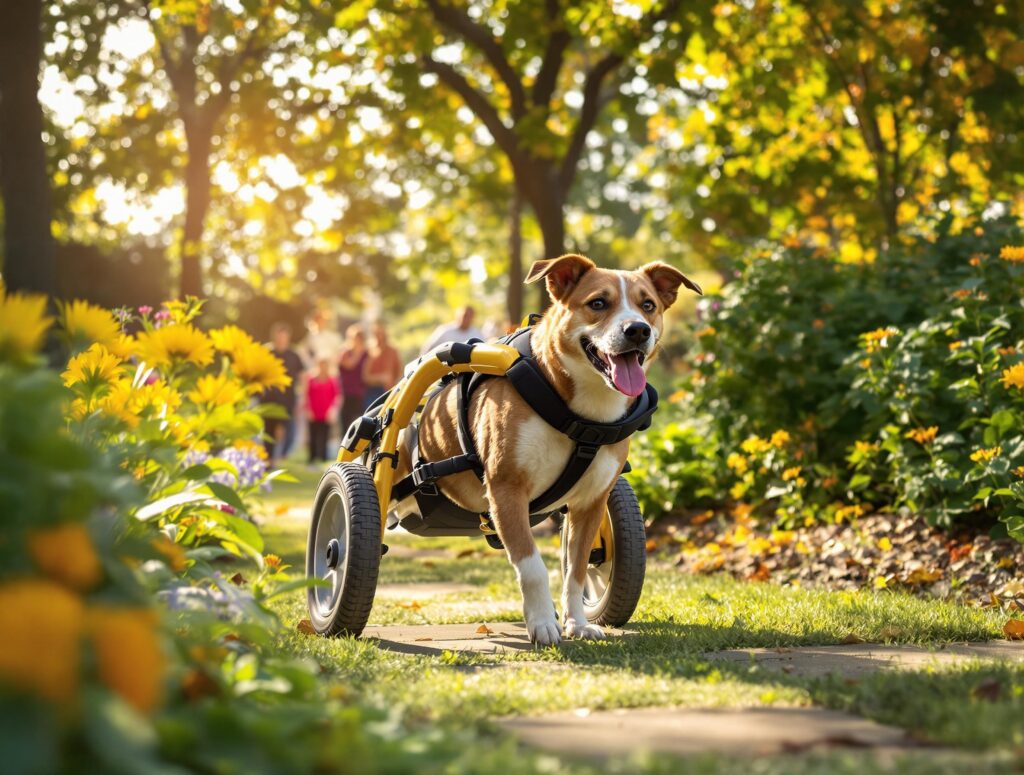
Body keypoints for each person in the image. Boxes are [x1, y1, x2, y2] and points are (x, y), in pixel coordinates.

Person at [262, 322, 305, 463]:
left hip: (288, 399)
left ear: (288, 337)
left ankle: (282, 455)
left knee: (289, 431)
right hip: (268, 398)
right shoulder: (266, 352)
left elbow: (302, 375)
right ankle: (269, 459)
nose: (281, 339)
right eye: (279, 336)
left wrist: (303, 395)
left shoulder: (294, 355)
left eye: (284, 336)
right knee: (269, 430)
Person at [305, 359, 341, 463]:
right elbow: (307, 395)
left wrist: (333, 411)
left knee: (325, 436)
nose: (323, 368)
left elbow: (337, 397)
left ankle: (323, 458)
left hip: (327, 414)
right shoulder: (311, 379)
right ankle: (312, 458)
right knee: (313, 436)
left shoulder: (332, 380)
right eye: (321, 365)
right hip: (313, 413)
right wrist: (308, 409)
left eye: (325, 365)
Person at [362, 322, 403, 410]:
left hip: (390, 391)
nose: (379, 337)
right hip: (373, 393)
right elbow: (365, 377)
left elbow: (399, 372)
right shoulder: (369, 351)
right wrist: (380, 378)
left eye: (381, 334)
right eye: (376, 334)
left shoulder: (393, 351)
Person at [337, 324, 368, 438]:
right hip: (346, 392)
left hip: (360, 392)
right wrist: (358, 352)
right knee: (345, 421)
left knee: (359, 419)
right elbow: (349, 365)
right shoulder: (345, 352)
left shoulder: (367, 353)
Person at [420, 305, 486, 354]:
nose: (467, 319)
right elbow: (428, 348)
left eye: (470, 316)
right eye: (465, 315)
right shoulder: (445, 330)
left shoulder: (477, 334)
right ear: (458, 315)